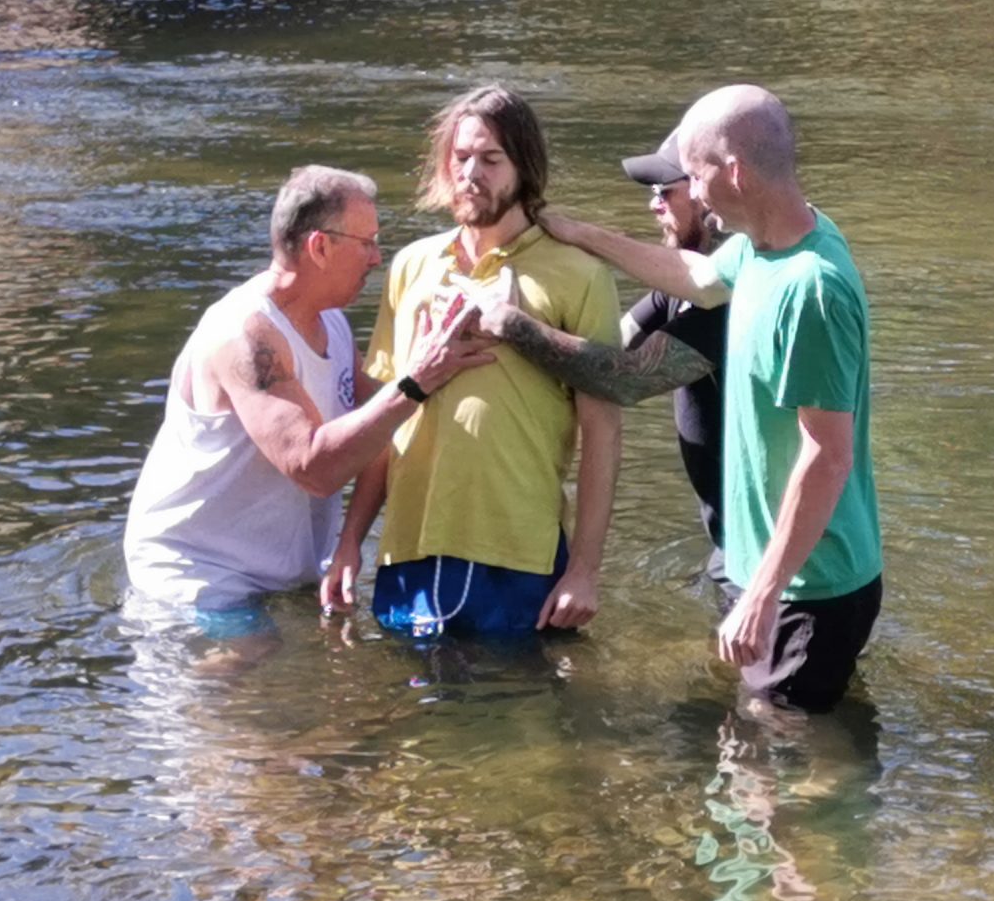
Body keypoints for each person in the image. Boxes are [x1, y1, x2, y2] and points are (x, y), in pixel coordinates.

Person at [538, 85, 883, 713]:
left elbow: (827, 456)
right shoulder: (759, 245)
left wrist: (763, 595)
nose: (690, 193)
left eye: (695, 176)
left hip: (810, 585)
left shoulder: (812, 288)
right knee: (784, 740)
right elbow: (693, 278)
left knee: (777, 761)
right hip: (776, 577)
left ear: (735, 172)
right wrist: (583, 234)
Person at [123, 165, 490, 645]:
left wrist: (349, 543)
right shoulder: (245, 333)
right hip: (198, 573)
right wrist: (417, 378)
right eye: (368, 242)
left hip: (281, 570)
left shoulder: (331, 322)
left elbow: (377, 429)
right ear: (320, 246)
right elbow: (312, 466)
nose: (378, 258)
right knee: (244, 678)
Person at [331, 85, 624, 638]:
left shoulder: (579, 274)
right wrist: (350, 541)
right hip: (409, 547)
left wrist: (585, 571)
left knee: (517, 712)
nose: (471, 173)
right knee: (412, 717)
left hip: (517, 552)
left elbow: (603, 430)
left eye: (491, 160)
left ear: (524, 168)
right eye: (461, 158)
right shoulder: (413, 266)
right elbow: (387, 415)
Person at [462, 127, 731, 569]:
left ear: (705, 190)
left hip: (773, 553)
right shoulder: (678, 293)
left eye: (665, 191)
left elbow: (625, 378)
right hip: (733, 543)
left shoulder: (731, 299)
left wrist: (511, 323)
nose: (653, 204)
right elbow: (608, 343)